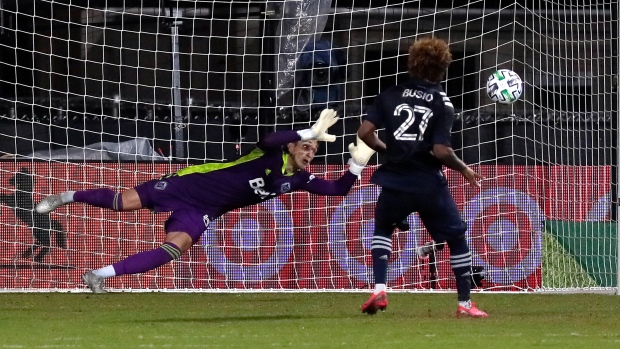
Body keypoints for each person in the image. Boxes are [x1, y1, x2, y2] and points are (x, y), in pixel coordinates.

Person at [35, 109, 376, 293]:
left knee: (174, 249)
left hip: (204, 210)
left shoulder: (299, 178)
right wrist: (307, 132)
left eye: (314, 150)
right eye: (306, 147)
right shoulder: (270, 152)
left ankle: (98, 274)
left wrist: (357, 165)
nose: (310, 153)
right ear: (292, 147)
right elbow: (268, 136)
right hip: (188, 185)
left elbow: (337, 191)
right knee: (120, 204)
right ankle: (66, 195)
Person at [356, 37, 488, 318]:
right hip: (429, 183)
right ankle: (464, 304)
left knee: (383, 228)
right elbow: (440, 150)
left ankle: (379, 288)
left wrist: (387, 149)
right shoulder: (443, 103)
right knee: (456, 238)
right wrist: (464, 168)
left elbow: (365, 133)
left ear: (412, 63)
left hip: (394, 180)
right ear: (443, 68)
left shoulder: (389, 95)